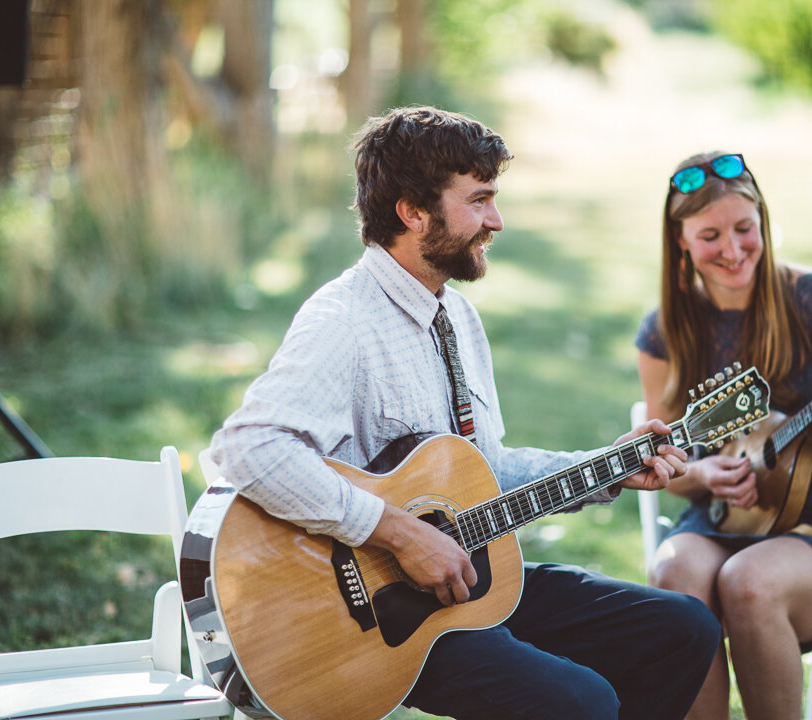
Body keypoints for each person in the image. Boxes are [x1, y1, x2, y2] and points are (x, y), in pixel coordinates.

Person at [210, 106, 721, 720]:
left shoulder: (458, 318)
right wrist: (399, 533)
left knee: (682, 628)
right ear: (412, 212)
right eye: (478, 201)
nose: (496, 221)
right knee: (583, 703)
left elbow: (487, 470)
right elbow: (248, 448)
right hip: (373, 623)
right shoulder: (344, 321)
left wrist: (607, 467)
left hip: (466, 586)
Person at [634, 151, 812, 720]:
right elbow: (663, 468)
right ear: (680, 240)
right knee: (674, 571)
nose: (732, 250)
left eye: (744, 229)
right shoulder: (665, 331)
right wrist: (702, 473)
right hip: (728, 519)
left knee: (748, 582)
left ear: (763, 223)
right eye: (709, 235)